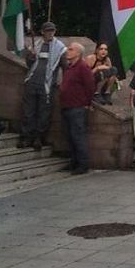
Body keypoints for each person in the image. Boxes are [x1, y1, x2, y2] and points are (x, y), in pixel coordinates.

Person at [20, 22, 65, 151]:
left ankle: (39, 137)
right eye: (48, 31)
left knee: (44, 113)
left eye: (52, 31)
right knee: (28, 111)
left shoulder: (60, 48)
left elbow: (64, 67)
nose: (50, 33)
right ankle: (26, 136)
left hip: (47, 85)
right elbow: (29, 64)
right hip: (32, 82)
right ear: (42, 32)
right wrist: (31, 56)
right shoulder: (36, 45)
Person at [58, 42, 95, 175]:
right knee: (70, 136)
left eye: (71, 49)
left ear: (78, 53)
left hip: (77, 107)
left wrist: (87, 103)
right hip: (67, 106)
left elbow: (90, 86)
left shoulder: (82, 67)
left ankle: (83, 164)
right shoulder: (69, 67)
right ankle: (73, 161)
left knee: (78, 136)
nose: (68, 51)